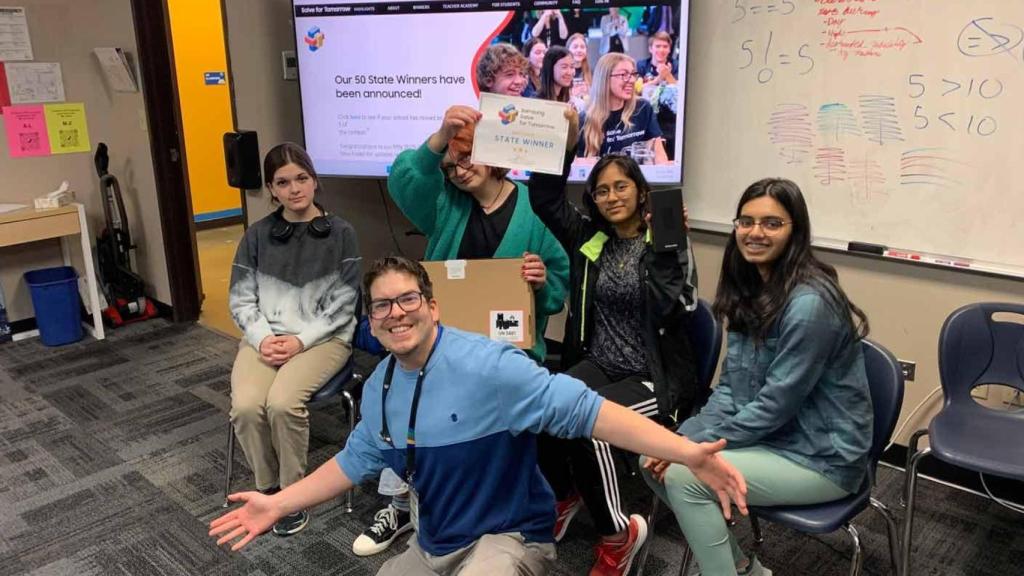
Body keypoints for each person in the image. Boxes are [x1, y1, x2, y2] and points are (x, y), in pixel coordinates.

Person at [210, 256, 749, 576]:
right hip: (434, 540)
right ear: (371, 322)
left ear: (433, 306)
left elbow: (591, 413)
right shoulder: (380, 388)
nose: (396, 313)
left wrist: (687, 452)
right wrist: (277, 503)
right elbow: (352, 463)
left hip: (508, 537)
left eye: (408, 299)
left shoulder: (491, 368)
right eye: (382, 306)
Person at [350, 105, 571, 557]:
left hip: (505, 350)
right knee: (410, 404)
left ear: (493, 154)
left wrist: (542, 282)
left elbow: (558, 288)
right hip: (441, 344)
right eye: (451, 166)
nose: (459, 171)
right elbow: (403, 180)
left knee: (488, 431)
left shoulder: (533, 207)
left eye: (467, 157)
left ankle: (496, 518)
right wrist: (440, 137)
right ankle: (402, 505)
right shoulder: (444, 205)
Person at [642, 178, 874, 576]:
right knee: (652, 456)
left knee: (683, 475)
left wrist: (688, 448)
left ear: (795, 231)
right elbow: (730, 390)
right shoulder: (751, 287)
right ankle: (746, 571)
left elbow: (774, 406)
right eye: (746, 221)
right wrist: (682, 440)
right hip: (774, 439)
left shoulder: (810, 304)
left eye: (771, 223)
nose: (755, 232)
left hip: (821, 457)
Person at [528, 116, 700, 575]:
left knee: (590, 424)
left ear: (641, 192)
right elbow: (544, 198)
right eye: (602, 191)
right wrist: (565, 144)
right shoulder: (591, 238)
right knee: (544, 403)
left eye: (621, 187)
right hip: (600, 363)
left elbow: (674, 307)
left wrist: (666, 246)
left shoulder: (665, 242)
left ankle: (618, 534)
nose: (611, 197)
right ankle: (565, 495)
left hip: (653, 376)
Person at [227, 142, 361, 537]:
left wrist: (301, 341)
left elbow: (345, 303)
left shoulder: (342, 233)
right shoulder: (257, 235)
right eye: (283, 182)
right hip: (266, 337)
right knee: (247, 407)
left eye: (301, 178)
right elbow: (240, 298)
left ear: (315, 181)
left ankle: (290, 495)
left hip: (324, 339)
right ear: (272, 189)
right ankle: (267, 489)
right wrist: (262, 338)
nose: (294, 189)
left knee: (283, 404)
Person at [580, 53, 669, 164]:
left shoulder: (643, 108)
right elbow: (577, 165)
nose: (632, 80)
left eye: (633, 74)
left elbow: (659, 155)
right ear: (605, 79)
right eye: (624, 74)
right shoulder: (585, 118)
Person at [537, 45, 585, 112]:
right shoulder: (536, 102)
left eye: (572, 67)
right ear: (550, 68)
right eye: (564, 67)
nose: (569, 72)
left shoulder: (569, 101)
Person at [566, 33, 593, 101]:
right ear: (567, 50)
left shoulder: (592, 73)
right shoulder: (562, 72)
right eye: (575, 47)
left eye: (582, 47)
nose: (579, 50)